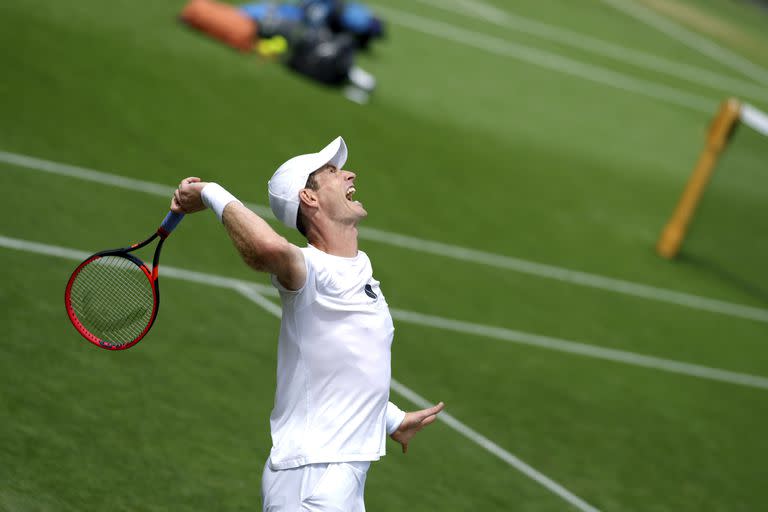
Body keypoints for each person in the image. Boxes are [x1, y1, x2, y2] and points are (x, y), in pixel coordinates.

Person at [170, 136, 444, 511]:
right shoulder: (310, 270)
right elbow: (267, 249)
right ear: (309, 198)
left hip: (338, 482)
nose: (350, 173)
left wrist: (391, 419)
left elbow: (345, 361)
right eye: (333, 172)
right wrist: (209, 192)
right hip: (310, 481)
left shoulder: (359, 269)